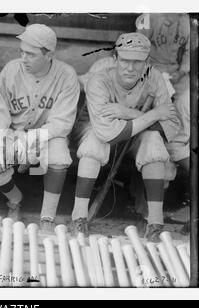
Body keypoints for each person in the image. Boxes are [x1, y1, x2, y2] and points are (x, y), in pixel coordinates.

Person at [70, 32, 180, 241]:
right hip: (94, 132)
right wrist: (153, 115)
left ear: (146, 62)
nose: (130, 68)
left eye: (137, 62)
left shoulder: (155, 78)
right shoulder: (99, 80)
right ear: (115, 59)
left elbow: (171, 128)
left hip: (134, 135)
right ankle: (79, 217)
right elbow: (106, 132)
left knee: (154, 142)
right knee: (95, 142)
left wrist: (129, 113)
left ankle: (154, 222)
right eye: (125, 61)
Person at [0, 24, 80, 233]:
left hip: (49, 135)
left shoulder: (66, 75)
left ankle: (47, 217)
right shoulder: (11, 69)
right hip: (14, 133)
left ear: (49, 55)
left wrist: (33, 140)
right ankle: (15, 200)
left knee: (59, 157)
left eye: (31, 54)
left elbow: (61, 123)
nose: (24, 58)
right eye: (22, 52)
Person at [136, 13, 191, 233]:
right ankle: (146, 212)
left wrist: (182, 71)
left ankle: (194, 206)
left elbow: (191, 53)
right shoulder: (148, 16)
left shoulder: (188, 19)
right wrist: (159, 76)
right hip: (150, 73)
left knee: (185, 110)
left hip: (177, 76)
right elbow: (137, 51)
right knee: (152, 140)